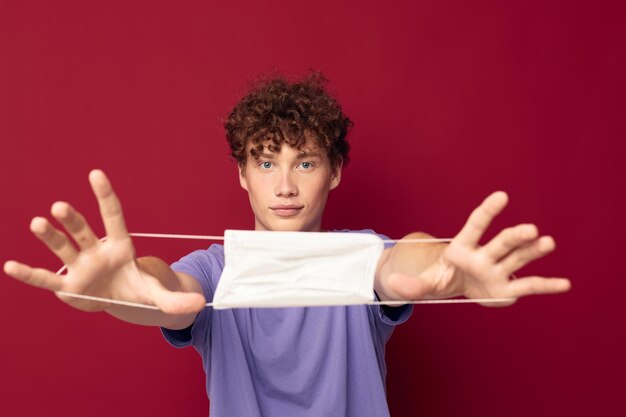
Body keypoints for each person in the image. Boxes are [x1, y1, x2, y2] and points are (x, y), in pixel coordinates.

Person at [3, 72, 571, 417]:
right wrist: (122, 291)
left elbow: (403, 259)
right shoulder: (216, 267)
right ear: (243, 175)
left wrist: (450, 265)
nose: (285, 185)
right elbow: (167, 284)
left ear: (335, 172)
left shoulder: (359, 256)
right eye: (266, 162)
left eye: (305, 162)